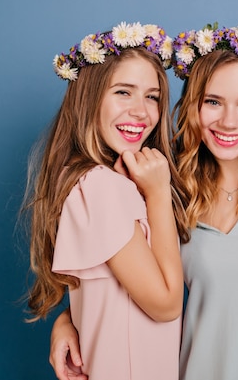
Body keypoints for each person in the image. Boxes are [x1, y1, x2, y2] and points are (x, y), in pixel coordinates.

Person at [49, 23, 238, 380]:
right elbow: (123, 279)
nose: (228, 121)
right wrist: (67, 320)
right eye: (213, 102)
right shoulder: (164, 181)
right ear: (192, 104)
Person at [23, 21, 189, 380]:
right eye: (123, 92)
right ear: (89, 98)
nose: (141, 112)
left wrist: (66, 319)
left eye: (152, 96)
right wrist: (158, 194)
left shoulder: (103, 182)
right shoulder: (103, 187)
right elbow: (165, 305)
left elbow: (110, 290)